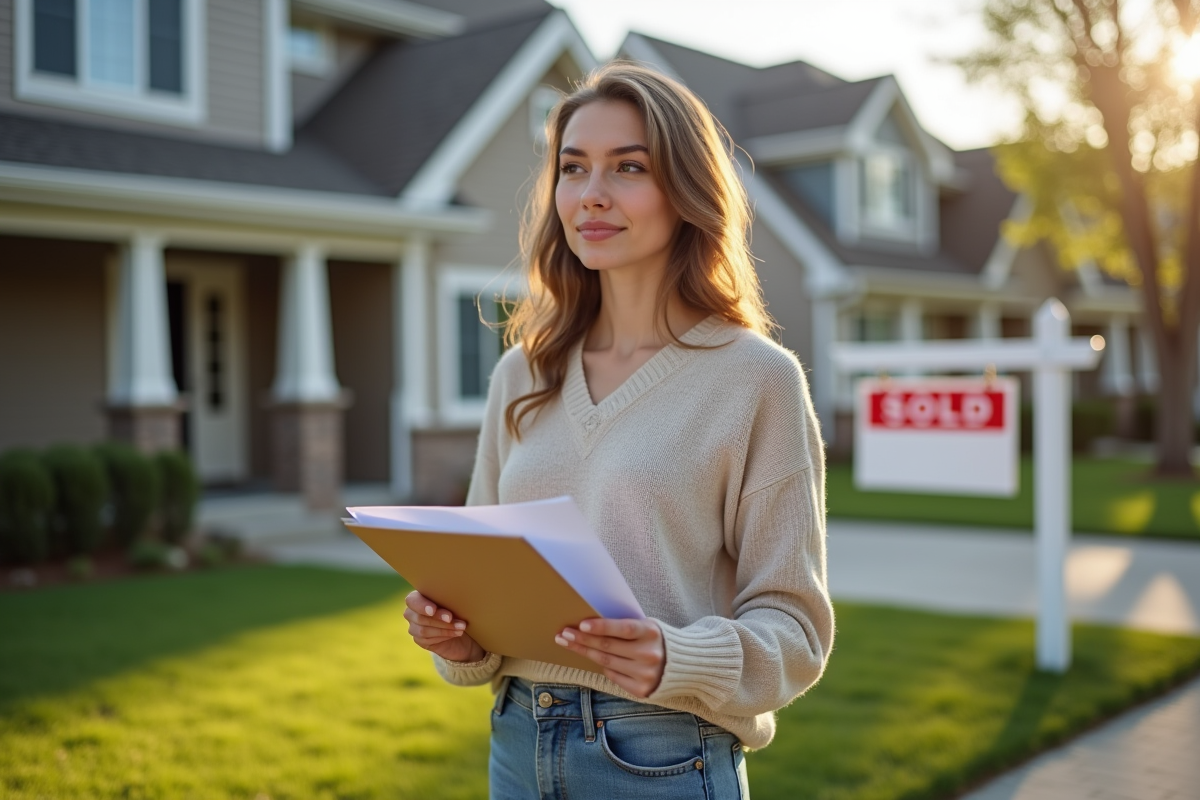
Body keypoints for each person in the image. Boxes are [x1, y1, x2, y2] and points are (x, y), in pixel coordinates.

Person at [402, 62, 834, 799]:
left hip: (663, 752)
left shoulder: (756, 378)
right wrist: (456, 633)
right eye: (574, 168)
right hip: (516, 740)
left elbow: (796, 629)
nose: (592, 193)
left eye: (628, 167)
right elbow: (477, 580)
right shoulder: (523, 374)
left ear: (687, 190)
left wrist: (677, 657)